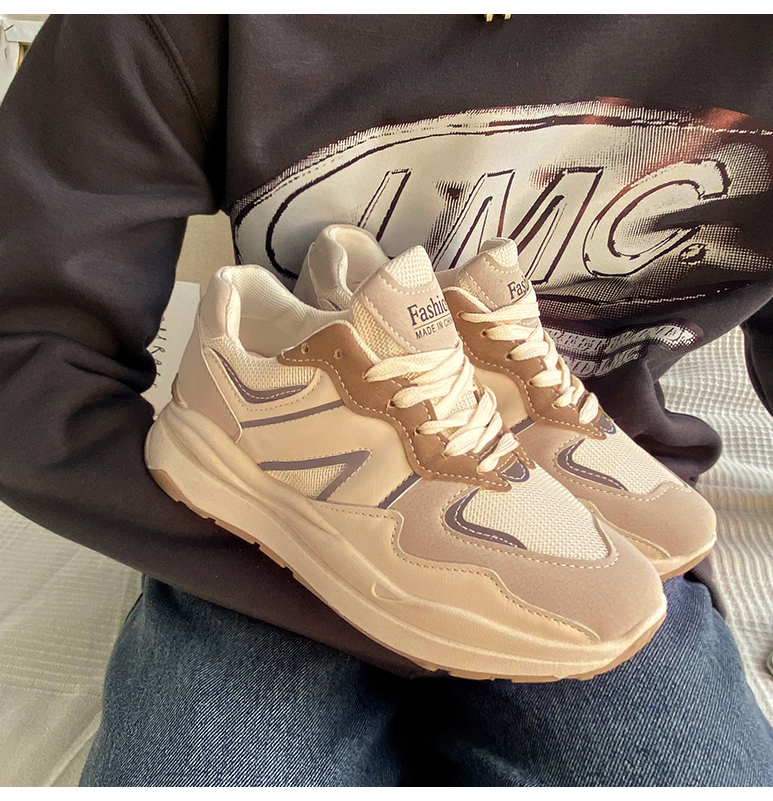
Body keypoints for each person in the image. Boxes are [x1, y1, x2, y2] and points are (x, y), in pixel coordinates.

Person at [0, 14, 771, 786]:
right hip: (283, 503)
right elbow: (27, 348)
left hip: (587, 515)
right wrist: (360, 590)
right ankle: (287, 460)